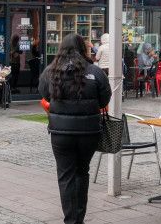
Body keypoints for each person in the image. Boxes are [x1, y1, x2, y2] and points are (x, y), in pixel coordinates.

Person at [38, 34, 111, 224]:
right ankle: (79, 219)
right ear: (83, 48)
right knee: (82, 172)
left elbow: (44, 93)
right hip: (89, 133)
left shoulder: (51, 71)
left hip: (61, 134)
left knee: (65, 176)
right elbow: (104, 101)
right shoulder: (95, 72)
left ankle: (71, 220)